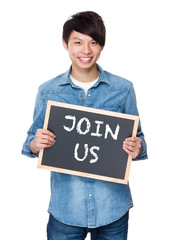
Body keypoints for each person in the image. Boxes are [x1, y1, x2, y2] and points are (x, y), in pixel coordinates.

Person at [22, 11, 148, 240]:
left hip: (113, 208)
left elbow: (139, 140)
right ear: (65, 44)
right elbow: (30, 142)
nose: (86, 50)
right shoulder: (48, 92)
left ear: (101, 46)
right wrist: (35, 143)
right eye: (78, 42)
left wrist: (137, 147)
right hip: (66, 210)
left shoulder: (123, 89)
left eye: (93, 43)